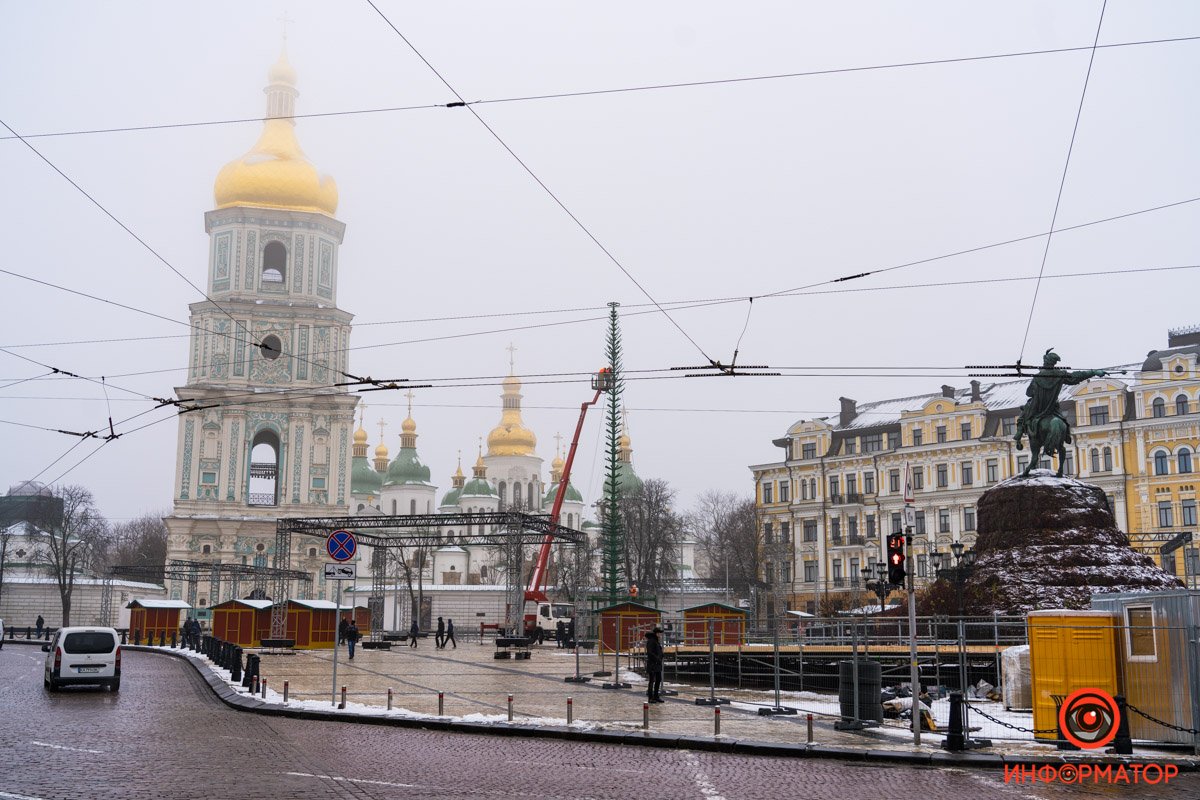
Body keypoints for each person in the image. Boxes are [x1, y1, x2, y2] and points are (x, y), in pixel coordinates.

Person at [645, 626, 664, 703]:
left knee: (658, 679)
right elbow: (649, 652)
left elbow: (658, 651)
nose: (661, 635)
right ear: (656, 634)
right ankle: (650, 698)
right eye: (660, 633)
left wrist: (662, 655)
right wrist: (657, 658)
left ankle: (656, 696)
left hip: (657, 664)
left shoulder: (656, 641)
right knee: (652, 680)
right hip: (652, 664)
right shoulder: (651, 641)